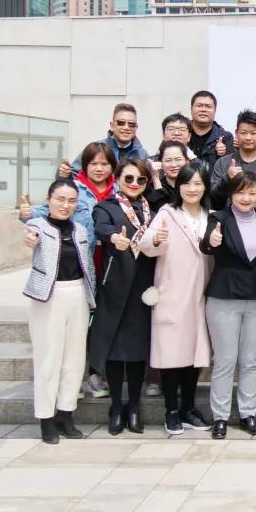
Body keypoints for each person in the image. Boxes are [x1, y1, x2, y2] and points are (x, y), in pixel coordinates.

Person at [200, 172, 256, 439]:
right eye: (240, 192)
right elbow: (207, 245)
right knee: (225, 360)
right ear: (231, 194)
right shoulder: (219, 219)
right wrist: (210, 242)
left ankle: (248, 413)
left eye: (251, 193)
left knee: (250, 360)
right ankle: (220, 417)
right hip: (224, 296)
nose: (246, 198)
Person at [137, 163, 213, 435]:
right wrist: (157, 240)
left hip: (201, 295)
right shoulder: (167, 213)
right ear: (178, 187)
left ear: (205, 187)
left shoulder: (210, 216)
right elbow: (146, 245)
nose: (192, 189)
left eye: (198, 184)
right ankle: (171, 410)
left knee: (194, 356)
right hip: (173, 294)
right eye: (187, 183)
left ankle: (188, 408)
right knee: (171, 356)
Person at [21, 178, 95, 444]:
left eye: (72, 201)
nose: (66, 205)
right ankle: (46, 418)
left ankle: (66, 413)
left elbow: (88, 265)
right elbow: (30, 236)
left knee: (74, 359)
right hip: (48, 297)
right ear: (49, 200)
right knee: (48, 358)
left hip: (78, 294)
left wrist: (92, 298)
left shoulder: (80, 230)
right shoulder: (37, 225)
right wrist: (29, 238)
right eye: (60, 199)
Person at [91, 158, 156, 436]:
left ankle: (134, 406)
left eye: (141, 179)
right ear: (117, 179)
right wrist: (113, 238)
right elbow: (100, 227)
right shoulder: (106, 207)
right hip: (116, 286)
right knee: (116, 350)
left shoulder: (153, 209)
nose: (134, 184)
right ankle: (116, 406)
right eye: (128, 178)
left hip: (144, 287)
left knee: (138, 351)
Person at [209, 109, 256, 220]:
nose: (248, 138)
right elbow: (213, 200)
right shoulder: (223, 163)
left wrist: (247, 202)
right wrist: (227, 180)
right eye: (243, 133)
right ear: (236, 133)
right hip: (226, 223)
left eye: (253, 133)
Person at [61, 103, 150, 175]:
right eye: (121, 123)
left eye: (131, 124)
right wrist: (64, 173)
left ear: (136, 127)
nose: (126, 127)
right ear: (112, 126)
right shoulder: (95, 149)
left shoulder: (142, 155)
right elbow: (73, 175)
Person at [188, 90, 234, 172]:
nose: (203, 110)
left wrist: (222, 155)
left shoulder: (225, 137)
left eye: (208, 106)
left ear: (215, 110)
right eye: (199, 106)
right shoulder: (181, 134)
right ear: (191, 109)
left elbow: (227, 170)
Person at [146, 140, 190, 212]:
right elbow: (163, 212)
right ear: (161, 163)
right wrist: (155, 178)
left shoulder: (195, 185)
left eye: (178, 159)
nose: (173, 164)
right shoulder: (152, 188)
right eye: (168, 160)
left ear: (187, 161)